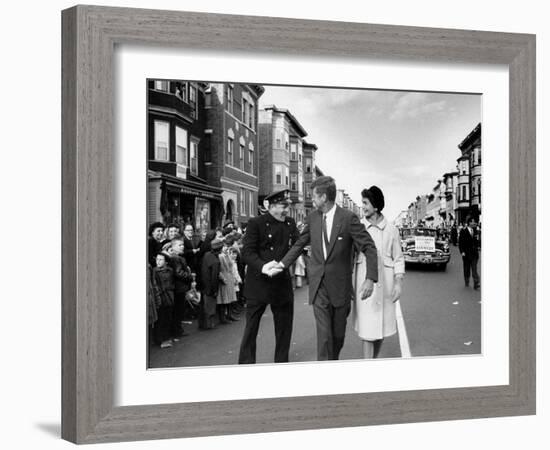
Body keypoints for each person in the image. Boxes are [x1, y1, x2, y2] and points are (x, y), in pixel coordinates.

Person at [273, 176, 378, 361]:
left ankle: (332, 362)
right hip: (319, 286)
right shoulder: (313, 218)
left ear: (323, 197)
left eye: (313, 196)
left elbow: (369, 247)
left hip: (340, 289)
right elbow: (299, 244)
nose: (311, 199)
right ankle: (325, 372)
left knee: (337, 337)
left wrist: (370, 278)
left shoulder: (348, 218)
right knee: (324, 336)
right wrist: (281, 265)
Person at [238, 189, 300, 364]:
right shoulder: (256, 223)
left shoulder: (290, 223)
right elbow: (247, 253)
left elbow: (297, 246)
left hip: (281, 283)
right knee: (251, 329)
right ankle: (245, 366)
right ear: (271, 207)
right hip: (259, 283)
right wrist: (263, 266)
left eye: (287, 206)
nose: (286, 210)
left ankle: (281, 364)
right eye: (283, 206)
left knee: (284, 329)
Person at [352, 186, 405, 358]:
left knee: (381, 330)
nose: (363, 207)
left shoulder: (391, 229)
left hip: (387, 285)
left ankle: (373, 361)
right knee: (367, 330)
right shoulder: (358, 227)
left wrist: (398, 283)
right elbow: (349, 257)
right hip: (364, 283)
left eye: (366, 203)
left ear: (375, 205)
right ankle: (369, 366)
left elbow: (398, 258)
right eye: (362, 203)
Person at [152, 253, 176, 348]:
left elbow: (172, 282)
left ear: (166, 261)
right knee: (160, 319)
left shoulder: (170, 270)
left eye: (161, 259)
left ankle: (166, 337)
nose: (158, 261)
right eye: (157, 259)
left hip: (169, 296)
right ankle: (160, 339)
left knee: (167, 317)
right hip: (160, 296)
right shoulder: (154, 271)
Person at [200, 238, 223, 329]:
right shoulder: (216, 262)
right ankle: (209, 324)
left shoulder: (207, 255)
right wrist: (215, 290)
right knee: (210, 306)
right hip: (210, 287)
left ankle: (203, 323)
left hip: (204, 284)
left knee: (204, 305)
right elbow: (214, 278)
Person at [458, 215, 481, 289]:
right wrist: (462, 252)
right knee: (467, 269)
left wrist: (478, 247)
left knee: (474, 269)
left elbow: (477, 241)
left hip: (474, 254)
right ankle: (467, 281)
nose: (474, 223)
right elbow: (461, 242)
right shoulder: (463, 231)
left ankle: (476, 283)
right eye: (473, 221)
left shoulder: (476, 231)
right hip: (466, 254)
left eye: (474, 221)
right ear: (469, 223)